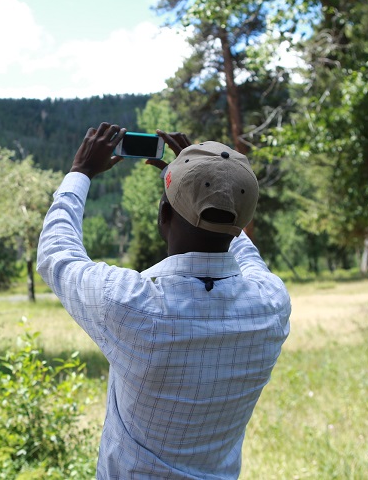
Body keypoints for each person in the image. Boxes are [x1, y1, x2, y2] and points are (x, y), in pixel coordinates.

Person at [36, 122, 291, 479]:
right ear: (241, 224)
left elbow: (57, 255)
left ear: (162, 215)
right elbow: (243, 252)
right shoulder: (271, 305)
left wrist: (80, 172)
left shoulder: (132, 304)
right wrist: (218, 186)